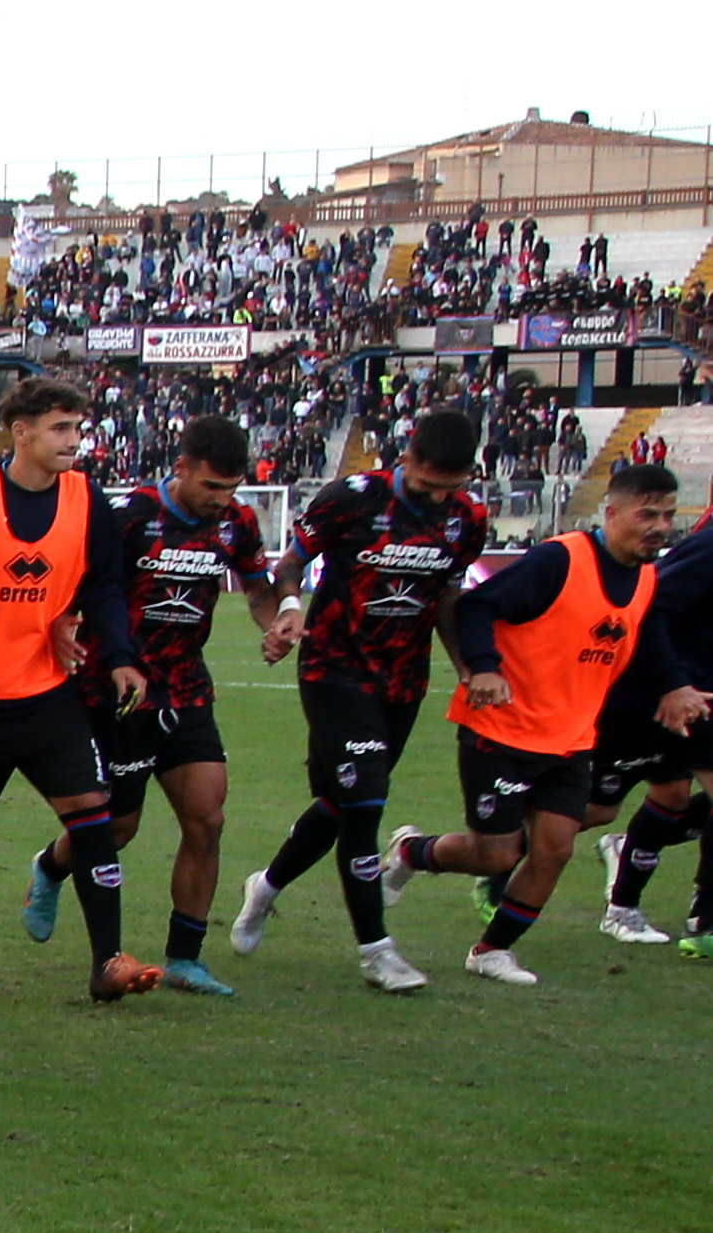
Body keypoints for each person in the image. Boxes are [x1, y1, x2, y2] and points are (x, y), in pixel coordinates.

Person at [384, 465, 704, 984]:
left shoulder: (645, 575)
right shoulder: (560, 558)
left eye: (667, 515)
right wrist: (483, 667)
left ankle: (492, 950)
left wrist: (675, 684)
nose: (660, 525)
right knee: (495, 854)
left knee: (554, 849)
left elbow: (643, 636)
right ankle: (409, 852)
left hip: (573, 735)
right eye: (647, 514)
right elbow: (478, 604)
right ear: (613, 512)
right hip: (504, 727)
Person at [0, 376, 161, 1005]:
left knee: (93, 815)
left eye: (78, 429)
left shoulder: (86, 498)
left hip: (45, 692)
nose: (74, 442)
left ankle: (107, 959)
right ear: (19, 432)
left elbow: (104, 584)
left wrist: (120, 657)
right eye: (61, 428)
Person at [232, 408, 493, 990]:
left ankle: (266, 886)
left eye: (449, 489)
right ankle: (377, 952)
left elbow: (449, 598)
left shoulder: (467, 518)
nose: (435, 498)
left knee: (336, 803)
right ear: (406, 460)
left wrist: (467, 667)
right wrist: (292, 609)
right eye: (426, 485)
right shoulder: (353, 497)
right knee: (367, 803)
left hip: (403, 679)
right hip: (335, 668)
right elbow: (292, 561)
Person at [65, 415, 285, 996]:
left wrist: (277, 624)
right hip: (116, 689)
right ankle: (48, 867)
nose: (223, 500)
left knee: (207, 819)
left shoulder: (237, 523)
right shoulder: (129, 517)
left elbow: (257, 586)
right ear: (181, 468)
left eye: (232, 489)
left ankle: (185, 955)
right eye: (212, 487)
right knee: (116, 828)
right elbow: (86, 589)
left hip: (186, 686)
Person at [589, 509, 713, 949]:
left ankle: (635, 907)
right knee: (594, 810)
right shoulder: (708, 547)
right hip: (668, 695)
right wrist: (673, 680)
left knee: (673, 797)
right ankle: (498, 852)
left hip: (697, 698)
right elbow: (650, 606)